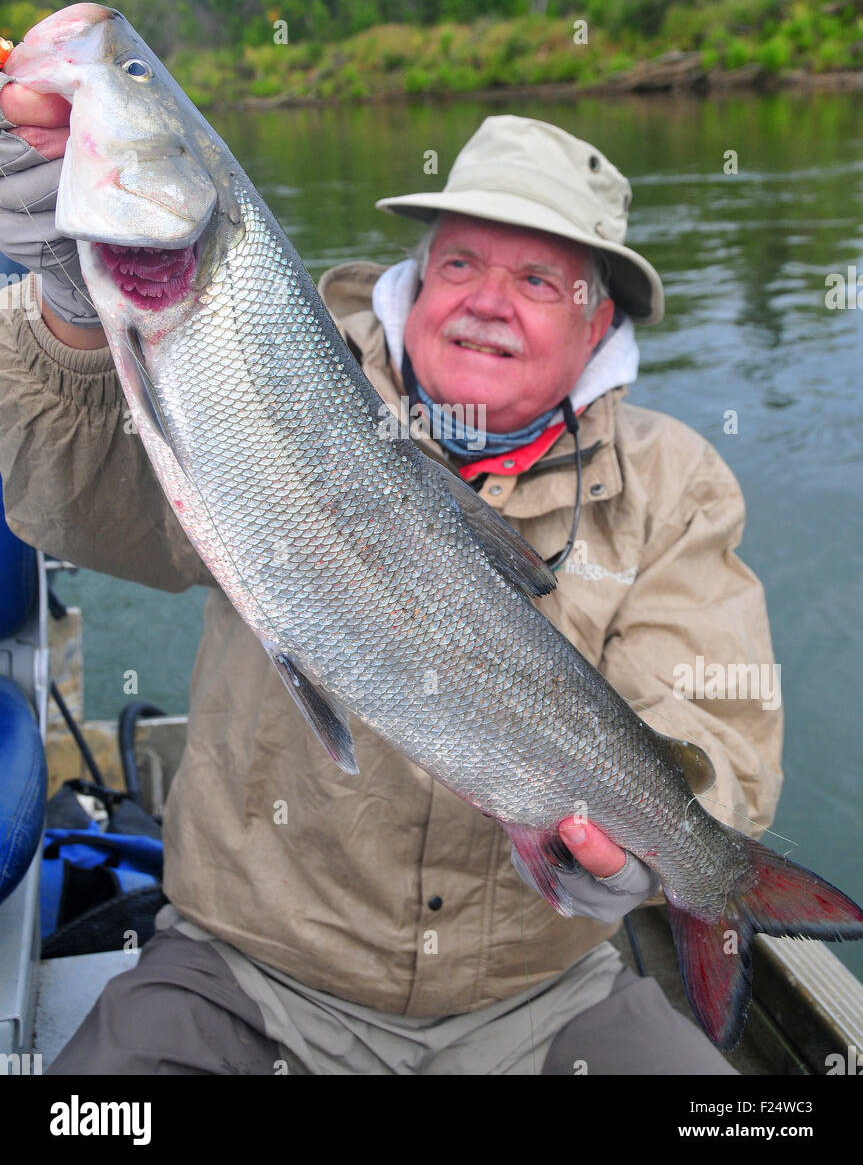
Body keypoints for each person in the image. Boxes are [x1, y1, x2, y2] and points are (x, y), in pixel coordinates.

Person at [0, 70, 782, 1074]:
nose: (486, 304)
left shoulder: (675, 482)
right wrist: (68, 315)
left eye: (538, 281)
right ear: (415, 274)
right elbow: (78, 499)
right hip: (243, 970)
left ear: (598, 323)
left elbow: (714, 728)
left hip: (538, 997)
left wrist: (659, 848)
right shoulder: (260, 366)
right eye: (459, 261)